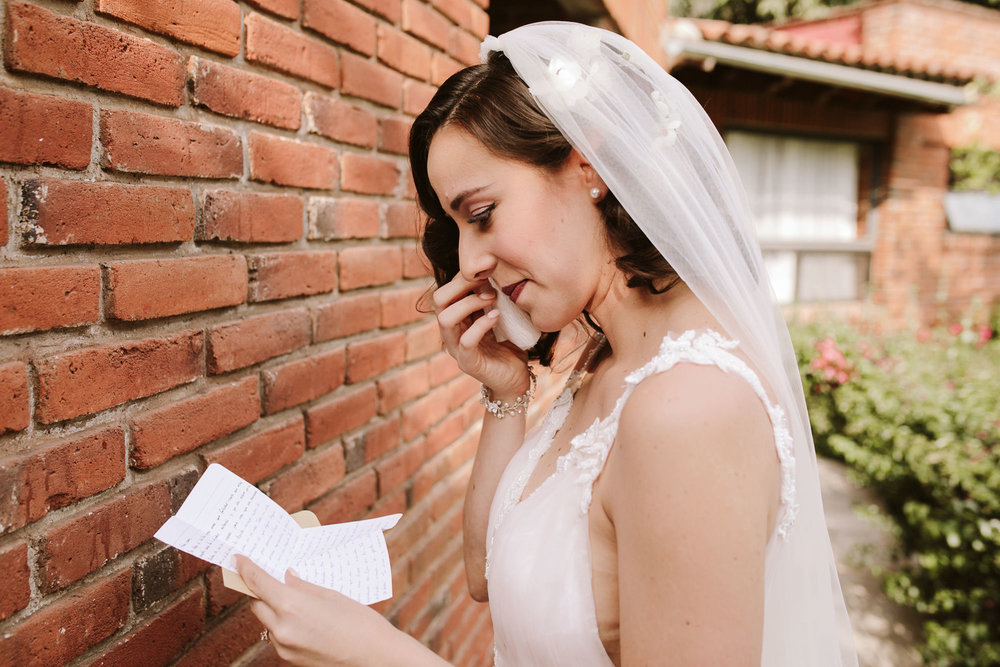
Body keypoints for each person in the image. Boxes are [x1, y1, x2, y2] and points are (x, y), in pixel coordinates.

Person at [236, 21, 859, 666]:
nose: (470, 260)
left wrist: (378, 656)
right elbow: (486, 573)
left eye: (481, 215)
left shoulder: (687, 409)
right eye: (458, 229)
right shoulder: (610, 360)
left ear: (588, 167)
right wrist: (505, 392)